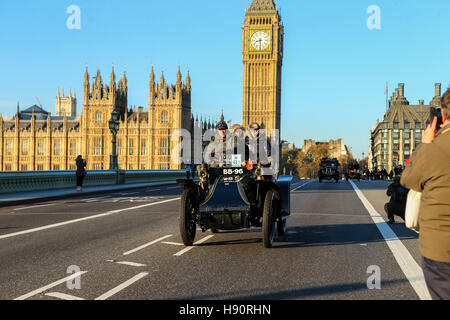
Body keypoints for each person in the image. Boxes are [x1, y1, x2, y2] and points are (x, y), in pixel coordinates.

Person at [401, 86, 450, 300]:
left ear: (443, 115)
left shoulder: (433, 149)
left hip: (441, 248)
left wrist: (424, 144)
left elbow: (408, 179)